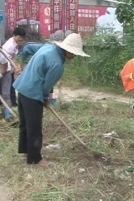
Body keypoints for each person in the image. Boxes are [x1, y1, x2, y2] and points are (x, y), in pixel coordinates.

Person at [13, 33, 90, 167]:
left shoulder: (47, 47)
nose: (75, 56)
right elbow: (46, 87)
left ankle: (25, 150)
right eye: (75, 53)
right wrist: (44, 99)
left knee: (25, 123)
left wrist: (21, 63)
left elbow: (26, 49)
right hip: (32, 93)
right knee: (34, 127)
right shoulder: (57, 65)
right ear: (68, 51)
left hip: (22, 88)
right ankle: (35, 158)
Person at [2, 27, 26, 107]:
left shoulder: (15, 43)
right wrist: (15, 67)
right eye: (19, 37)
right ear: (14, 35)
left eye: (22, 38)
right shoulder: (10, 45)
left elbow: (13, 57)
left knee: (12, 85)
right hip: (6, 68)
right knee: (9, 86)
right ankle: (10, 104)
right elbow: (6, 59)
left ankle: (13, 102)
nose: (21, 39)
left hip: (11, 68)